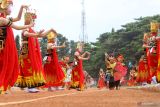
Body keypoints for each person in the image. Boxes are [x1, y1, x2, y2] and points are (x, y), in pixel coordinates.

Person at [16, 9, 56, 93]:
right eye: (32, 19)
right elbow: (25, 34)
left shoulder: (31, 30)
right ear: (28, 19)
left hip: (32, 52)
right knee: (28, 67)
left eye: (34, 20)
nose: (34, 21)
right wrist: (36, 34)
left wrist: (50, 29)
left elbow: (41, 35)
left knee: (32, 67)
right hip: (26, 52)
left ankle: (31, 86)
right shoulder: (26, 28)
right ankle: (30, 87)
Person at [0, 0, 34, 94]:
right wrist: (29, 25)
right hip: (4, 47)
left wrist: (22, 7)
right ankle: (2, 85)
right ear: (4, 7)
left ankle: (3, 85)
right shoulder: (2, 20)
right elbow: (17, 27)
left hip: (5, 45)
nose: (11, 8)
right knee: (5, 65)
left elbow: (18, 18)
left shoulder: (6, 19)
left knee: (5, 66)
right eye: (9, 6)